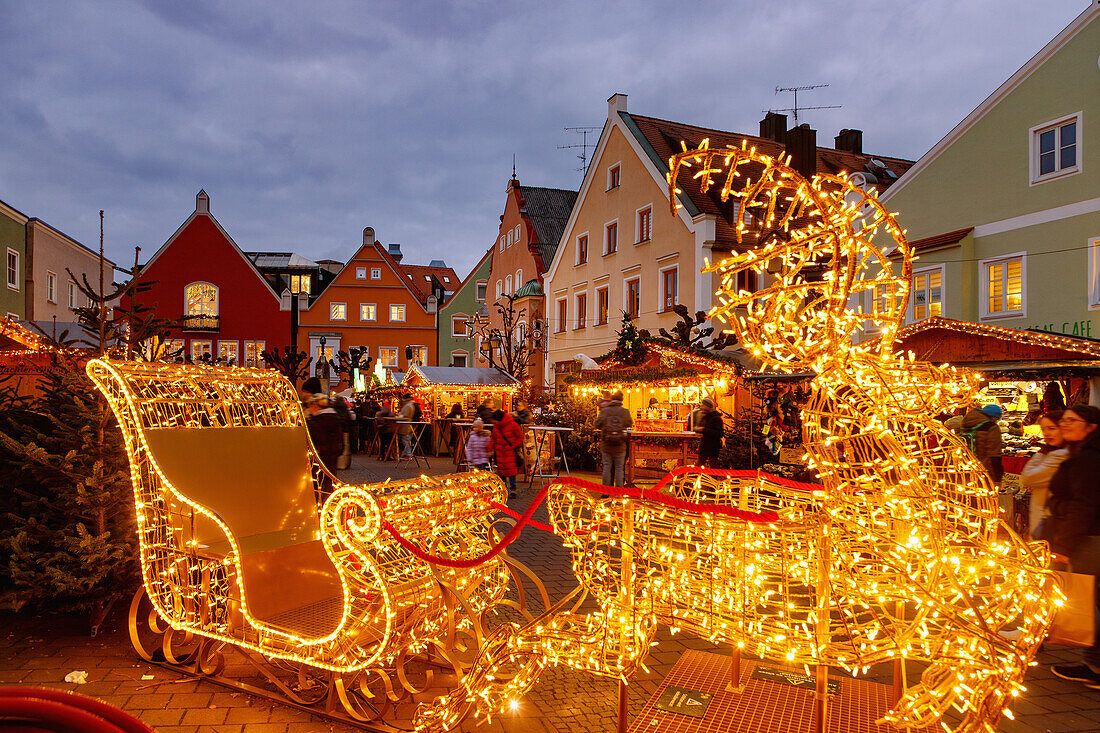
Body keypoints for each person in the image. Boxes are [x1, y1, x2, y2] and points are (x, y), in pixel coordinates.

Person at [1044, 405, 1100, 686]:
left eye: (1071, 421)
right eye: (1063, 419)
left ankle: (1095, 666)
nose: (1064, 424)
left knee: (1090, 601)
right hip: (1091, 536)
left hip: (1090, 539)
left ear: (1091, 426)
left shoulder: (1088, 459)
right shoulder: (1082, 454)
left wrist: (1064, 545)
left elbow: (1083, 505)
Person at [1021, 411, 1068, 536]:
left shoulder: (1060, 455)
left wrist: (1041, 453)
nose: (1046, 433)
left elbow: (1028, 477)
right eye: (1043, 429)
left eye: (1052, 428)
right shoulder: (1056, 452)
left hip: (1050, 519)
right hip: (1049, 519)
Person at [594, 390, 632, 488]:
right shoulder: (625, 411)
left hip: (606, 444)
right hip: (620, 444)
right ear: (621, 400)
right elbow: (629, 423)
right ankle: (618, 492)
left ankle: (606, 491)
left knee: (607, 467)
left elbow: (597, 424)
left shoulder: (605, 411)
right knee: (619, 468)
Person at [958, 403, 1003, 483]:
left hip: (964, 466)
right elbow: (994, 452)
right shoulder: (991, 427)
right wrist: (997, 475)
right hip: (983, 469)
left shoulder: (965, 423)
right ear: (993, 417)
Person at [306, 394, 343, 489]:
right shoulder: (334, 416)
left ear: (315, 406)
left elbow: (317, 436)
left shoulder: (318, 420)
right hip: (332, 452)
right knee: (330, 479)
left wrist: (309, 421)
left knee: (319, 482)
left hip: (320, 453)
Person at [490, 409, 524, 499]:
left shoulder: (512, 425)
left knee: (511, 471)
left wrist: (513, 445)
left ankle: (513, 489)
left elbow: (520, 436)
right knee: (502, 473)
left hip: (510, 452)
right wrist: (489, 449)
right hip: (500, 452)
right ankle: (504, 489)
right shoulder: (497, 427)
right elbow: (493, 439)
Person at [697, 398, 724, 468]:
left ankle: (712, 478)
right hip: (704, 446)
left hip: (713, 447)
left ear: (707, 406)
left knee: (713, 468)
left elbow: (719, 433)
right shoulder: (704, 416)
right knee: (699, 466)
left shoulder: (716, 418)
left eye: (703, 405)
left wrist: (704, 429)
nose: (701, 407)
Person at [397, 394, 417, 459]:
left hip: (405, 424)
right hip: (407, 424)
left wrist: (399, 417)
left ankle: (408, 454)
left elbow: (405, 416)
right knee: (406, 439)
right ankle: (406, 453)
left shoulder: (408, 406)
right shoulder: (410, 405)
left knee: (405, 439)